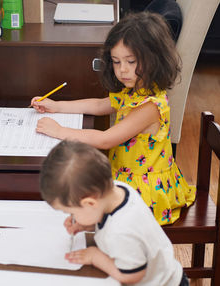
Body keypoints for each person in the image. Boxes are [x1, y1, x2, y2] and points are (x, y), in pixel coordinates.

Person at [31, 12, 195, 225]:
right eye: (116, 62)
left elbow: (106, 140)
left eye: (131, 61)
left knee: (91, 208)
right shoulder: (136, 90)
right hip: (126, 177)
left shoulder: (150, 106)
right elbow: (100, 105)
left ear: (154, 59)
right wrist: (57, 106)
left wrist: (60, 131)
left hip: (144, 193)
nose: (123, 70)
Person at [40, 140, 189, 286]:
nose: (72, 218)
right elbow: (106, 217)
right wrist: (87, 225)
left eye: (71, 213)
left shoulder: (120, 231)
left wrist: (95, 257)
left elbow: (131, 275)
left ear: (90, 203)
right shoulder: (116, 188)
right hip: (167, 271)